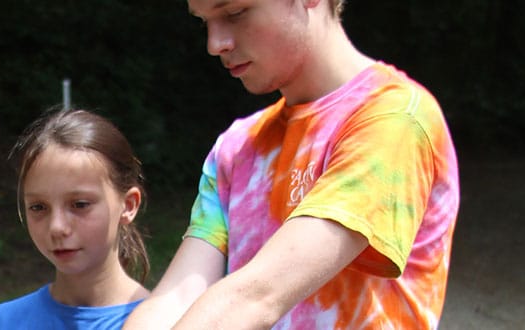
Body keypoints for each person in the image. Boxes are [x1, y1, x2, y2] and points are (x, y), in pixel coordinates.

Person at [122, 0, 460, 329]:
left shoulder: (393, 121)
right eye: (203, 21)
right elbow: (176, 297)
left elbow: (258, 296)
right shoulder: (237, 146)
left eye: (235, 12)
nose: (215, 43)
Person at [0, 108, 151, 329]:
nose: (57, 227)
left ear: (128, 205)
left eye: (80, 205)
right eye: (39, 207)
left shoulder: (174, 323)